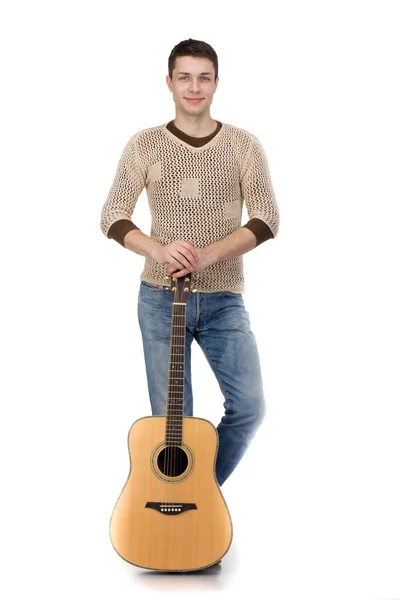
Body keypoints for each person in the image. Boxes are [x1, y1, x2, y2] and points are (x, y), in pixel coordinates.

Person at [100, 38, 279, 487]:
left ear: (216, 83)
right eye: (184, 77)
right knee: (172, 424)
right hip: (160, 299)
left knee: (250, 407)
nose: (193, 87)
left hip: (223, 299)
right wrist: (158, 249)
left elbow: (267, 218)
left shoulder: (243, 145)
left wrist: (209, 254)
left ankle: (199, 497)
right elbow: (112, 215)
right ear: (169, 83)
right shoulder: (144, 144)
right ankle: (174, 513)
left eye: (203, 77)